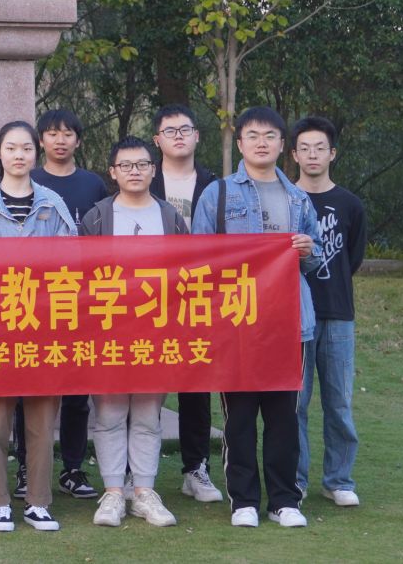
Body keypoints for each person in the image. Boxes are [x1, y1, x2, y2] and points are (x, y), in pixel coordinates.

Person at [190, 106, 323, 529]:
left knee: (284, 416)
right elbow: (197, 256)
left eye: (269, 136)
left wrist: (308, 250)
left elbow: (317, 258)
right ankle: (243, 500)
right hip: (236, 322)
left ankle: (284, 501)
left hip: (289, 324)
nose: (261, 143)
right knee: (240, 416)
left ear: (282, 145)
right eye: (253, 135)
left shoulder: (298, 198)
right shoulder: (218, 194)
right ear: (240, 143)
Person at [0, 121, 74, 532]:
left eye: (26, 147)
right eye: (11, 148)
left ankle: (38, 502)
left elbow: (72, 262)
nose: (19, 155)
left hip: (43, 327)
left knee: (41, 420)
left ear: (35, 153)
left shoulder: (53, 203)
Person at [79, 137, 185, 529]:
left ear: (154, 170)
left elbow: (187, 272)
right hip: (108, 330)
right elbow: (79, 276)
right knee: (109, 413)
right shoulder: (97, 217)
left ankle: (143, 492)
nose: (134, 171)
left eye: (142, 164)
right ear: (113, 172)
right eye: (126, 165)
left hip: (155, 330)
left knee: (147, 414)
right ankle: (112, 493)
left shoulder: (170, 217)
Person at [29, 108, 108, 502]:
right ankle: (27, 467)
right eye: (52, 133)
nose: (60, 140)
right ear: (41, 139)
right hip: (35, 300)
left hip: (82, 299)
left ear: (78, 140)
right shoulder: (29, 181)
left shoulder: (93, 184)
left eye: (67, 134)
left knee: (78, 391)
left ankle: (73, 469)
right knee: (31, 388)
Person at [291, 115, 366, 509]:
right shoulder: (287, 201)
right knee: (295, 404)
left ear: (332, 153)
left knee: (339, 402)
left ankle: (338, 480)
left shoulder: (350, 204)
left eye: (320, 148)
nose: (313, 155)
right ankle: (296, 480)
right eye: (305, 148)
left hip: (338, 314)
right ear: (293, 154)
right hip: (293, 315)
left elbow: (352, 258)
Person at [152, 103, 222, 505]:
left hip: (200, 296)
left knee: (196, 384)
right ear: (157, 140)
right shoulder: (143, 179)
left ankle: (196, 468)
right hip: (150, 298)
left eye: (185, 129)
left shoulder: (216, 186)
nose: (178, 136)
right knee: (146, 384)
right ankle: (135, 472)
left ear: (197, 136)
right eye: (170, 130)